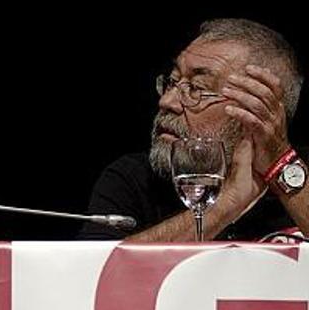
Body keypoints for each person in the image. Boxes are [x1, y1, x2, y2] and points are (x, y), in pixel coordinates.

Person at [79, 18, 307, 241]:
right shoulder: (134, 179)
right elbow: (96, 271)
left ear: (257, 111)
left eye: (196, 88)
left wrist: (281, 164)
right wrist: (224, 205)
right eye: (172, 81)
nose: (167, 101)